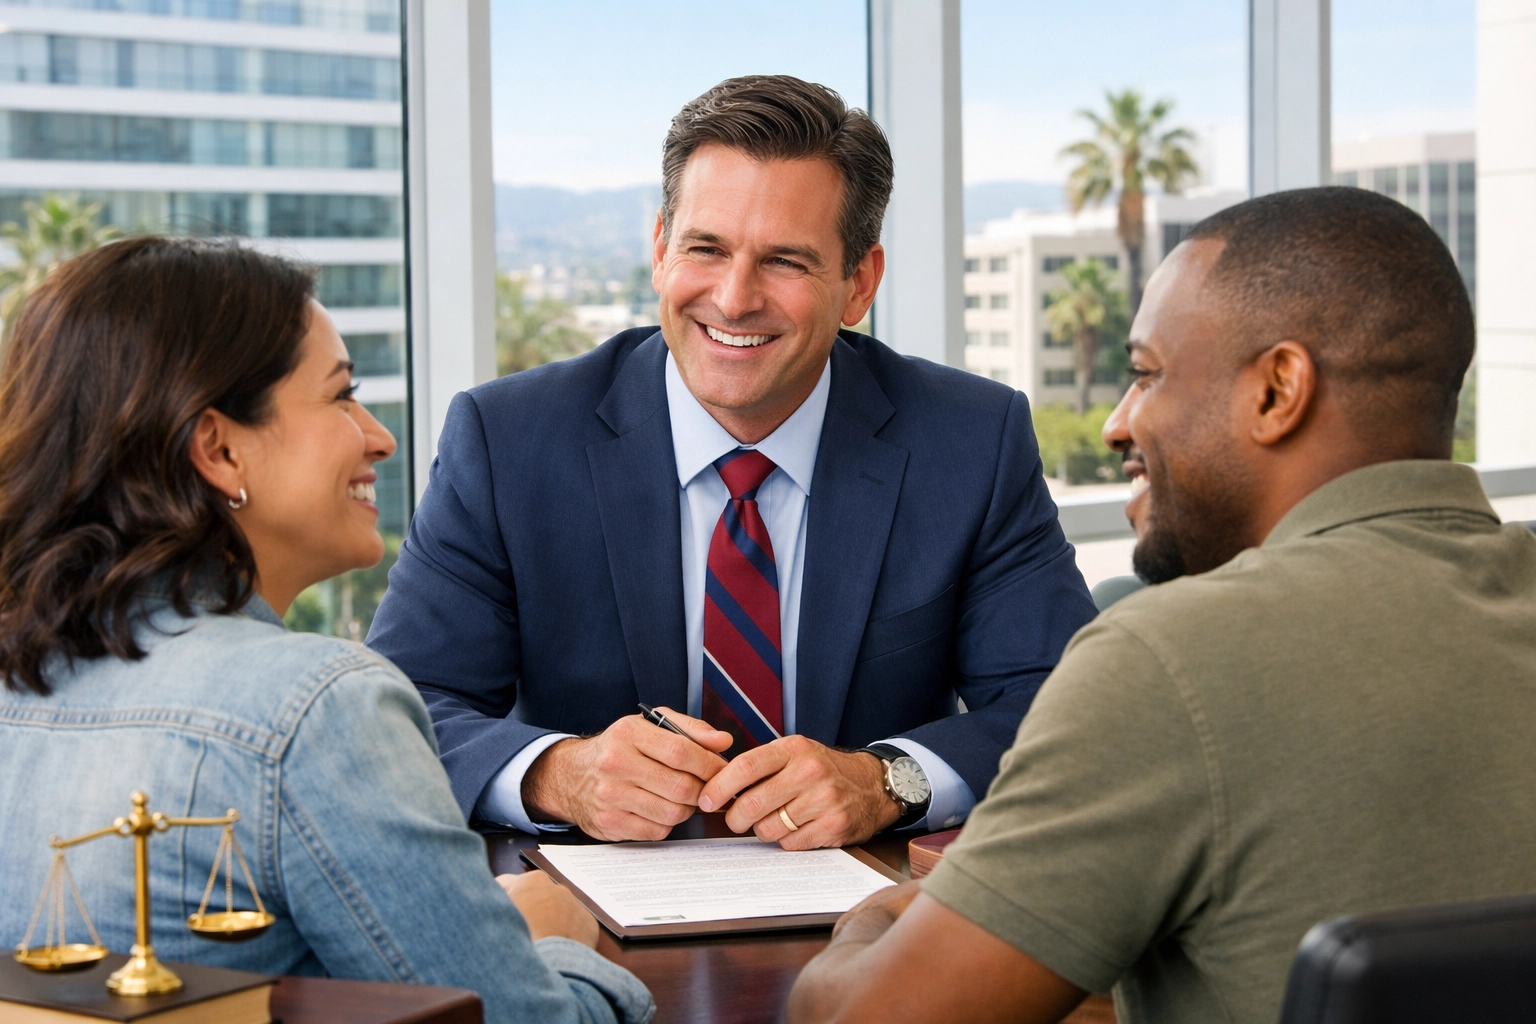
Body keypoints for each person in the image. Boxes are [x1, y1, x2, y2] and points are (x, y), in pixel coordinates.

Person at [785, 186, 1536, 1024]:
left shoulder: (1171, 665)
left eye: (1147, 375)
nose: (1117, 423)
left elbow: (854, 1018)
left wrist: (886, 916)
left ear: (1277, 391)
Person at [367, 75, 1096, 850]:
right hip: (584, 907)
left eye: (784, 261)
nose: (736, 297)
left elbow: (1071, 711)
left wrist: (887, 780)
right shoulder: (508, 441)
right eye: (706, 249)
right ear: (660, 250)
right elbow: (394, 711)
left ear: (859, 283)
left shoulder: (971, 443)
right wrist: (558, 775)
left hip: (872, 905)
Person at [0, 238, 653, 1024]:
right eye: (341, 397)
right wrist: (554, 939)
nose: (379, 437)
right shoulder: (317, 706)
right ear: (219, 449)